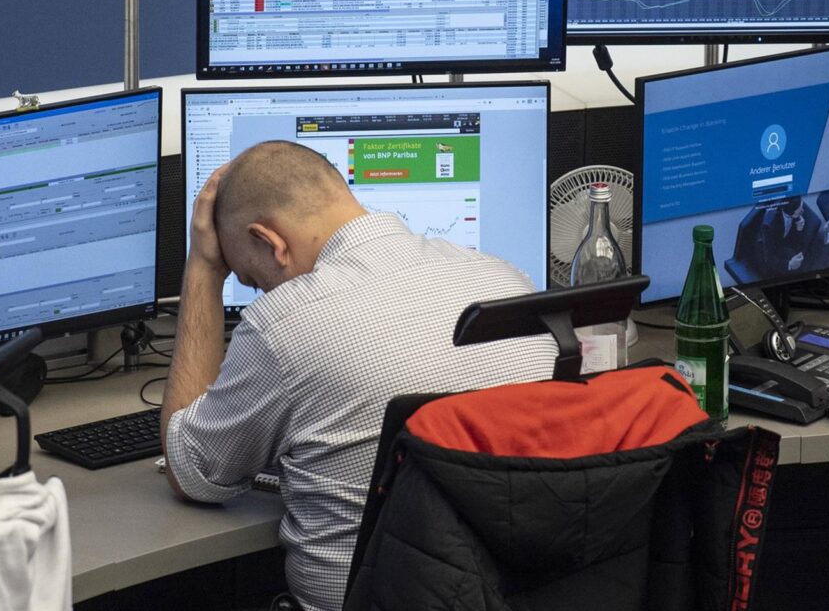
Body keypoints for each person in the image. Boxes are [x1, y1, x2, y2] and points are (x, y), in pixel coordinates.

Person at [161, 140, 558, 611]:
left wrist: (204, 268)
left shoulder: (284, 322)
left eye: (252, 280)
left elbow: (194, 473)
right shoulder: (506, 282)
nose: (260, 293)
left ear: (271, 242)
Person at [757, 195, 822, 277]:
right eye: (800, 210)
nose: (803, 211)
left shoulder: (790, 209)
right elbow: (770, 259)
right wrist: (789, 265)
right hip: (772, 249)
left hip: (785, 239)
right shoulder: (769, 227)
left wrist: (799, 230)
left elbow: (793, 237)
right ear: (792, 212)